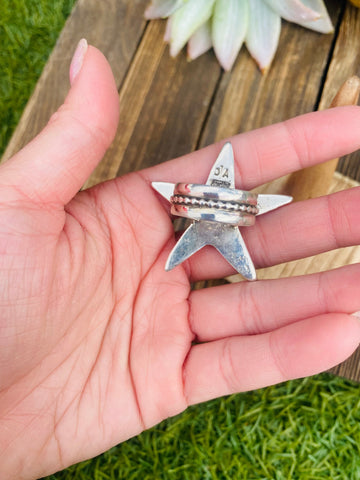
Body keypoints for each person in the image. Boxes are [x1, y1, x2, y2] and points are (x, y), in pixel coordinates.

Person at [0, 40, 360, 480]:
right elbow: (185, 199)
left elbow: (232, 209)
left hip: (221, 213)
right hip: (202, 212)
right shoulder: (186, 211)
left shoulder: (230, 214)